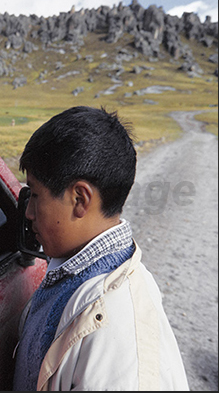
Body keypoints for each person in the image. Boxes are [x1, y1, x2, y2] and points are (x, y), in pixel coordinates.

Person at [12, 106, 189, 390]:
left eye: (34, 195)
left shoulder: (116, 331)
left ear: (80, 199)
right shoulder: (74, 270)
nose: (29, 213)